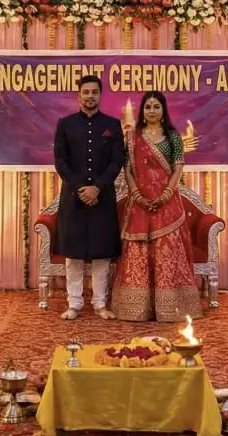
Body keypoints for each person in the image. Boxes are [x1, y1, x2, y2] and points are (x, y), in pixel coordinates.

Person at [112, 91, 202, 322]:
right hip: (139, 204)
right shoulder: (132, 138)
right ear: (142, 110)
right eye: (148, 106)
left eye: (156, 106)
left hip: (167, 205)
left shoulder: (173, 136)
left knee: (167, 253)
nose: (151, 110)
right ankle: (137, 308)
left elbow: (178, 168)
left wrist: (165, 194)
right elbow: (128, 169)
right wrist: (136, 194)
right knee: (138, 253)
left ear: (163, 110)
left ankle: (169, 308)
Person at [52, 75, 125, 321]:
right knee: (73, 254)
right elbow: (60, 162)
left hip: (102, 198)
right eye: (86, 92)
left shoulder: (113, 125)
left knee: (101, 254)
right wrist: (80, 188)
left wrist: (98, 188)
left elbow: (117, 161)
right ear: (79, 95)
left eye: (94, 92)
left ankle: (100, 303)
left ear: (100, 95)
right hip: (73, 198)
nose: (90, 96)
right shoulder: (65, 124)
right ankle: (74, 303)